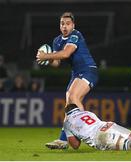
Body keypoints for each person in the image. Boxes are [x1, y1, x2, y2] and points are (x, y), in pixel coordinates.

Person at [36, 12, 98, 149]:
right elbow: (57, 63)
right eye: (62, 24)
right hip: (76, 73)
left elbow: (66, 54)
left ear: (73, 25)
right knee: (69, 102)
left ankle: (86, 131)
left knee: (74, 97)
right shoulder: (57, 41)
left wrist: (46, 55)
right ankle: (63, 140)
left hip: (88, 70)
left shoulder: (76, 35)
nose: (65, 26)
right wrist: (46, 60)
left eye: (68, 24)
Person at [62, 104, 131, 151]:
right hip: (109, 125)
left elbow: (75, 145)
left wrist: (72, 133)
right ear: (77, 109)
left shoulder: (67, 122)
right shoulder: (87, 112)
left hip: (100, 136)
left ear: (67, 113)